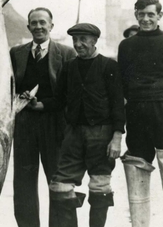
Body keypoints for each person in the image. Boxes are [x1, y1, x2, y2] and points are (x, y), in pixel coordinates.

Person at [37, 23, 124, 227]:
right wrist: (37, 104)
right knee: (59, 186)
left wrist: (117, 138)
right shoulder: (68, 67)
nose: (78, 44)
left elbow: (118, 105)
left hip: (102, 134)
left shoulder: (109, 66)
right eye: (75, 40)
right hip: (73, 135)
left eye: (83, 39)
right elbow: (58, 101)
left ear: (95, 41)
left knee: (100, 186)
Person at [118, 0, 163, 227]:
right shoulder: (126, 45)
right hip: (137, 114)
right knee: (137, 168)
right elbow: (122, 82)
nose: (146, 18)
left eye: (151, 14)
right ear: (135, 14)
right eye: (141, 14)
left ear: (160, 15)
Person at [9, 7, 76, 227]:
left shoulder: (66, 53)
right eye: (34, 23)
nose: (38, 26)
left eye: (42, 22)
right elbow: (8, 88)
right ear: (28, 27)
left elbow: (72, 95)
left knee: (58, 181)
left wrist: (44, 104)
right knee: (24, 182)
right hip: (24, 125)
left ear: (51, 26)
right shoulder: (16, 53)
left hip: (55, 125)